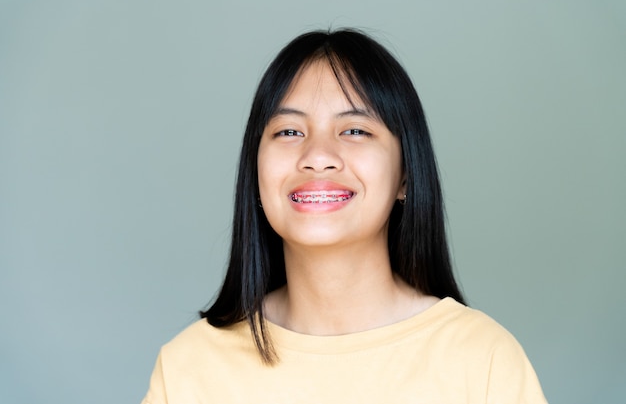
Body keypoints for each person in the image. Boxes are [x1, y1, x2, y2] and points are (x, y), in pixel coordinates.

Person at [141, 28, 547, 403]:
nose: (317, 156)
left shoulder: (484, 361)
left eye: (355, 130)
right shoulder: (187, 369)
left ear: (406, 175)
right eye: (289, 131)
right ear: (256, 171)